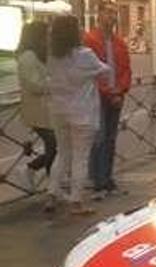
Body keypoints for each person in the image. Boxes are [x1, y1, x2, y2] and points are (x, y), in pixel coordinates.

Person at [46, 15, 110, 215]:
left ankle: (52, 194)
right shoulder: (85, 54)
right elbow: (105, 70)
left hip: (58, 110)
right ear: (75, 32)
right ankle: (76, 201)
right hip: (82, 112)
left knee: (62, 153)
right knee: (80, 157)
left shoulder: (52, 55)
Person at [83, 0, 132, 200]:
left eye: (114, 13)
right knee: (99, 137)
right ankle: (98, 179)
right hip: (97, 96)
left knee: (110, 138)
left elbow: (126, 69)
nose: (112, 17)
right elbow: (90, 71)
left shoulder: (120, 42)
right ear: (99, 14)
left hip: (115, 96)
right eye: (108, 13)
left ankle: (106, 177)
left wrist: (120, 91)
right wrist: (109, 93)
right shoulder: (89, 39)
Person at [16, 21, 55, 185]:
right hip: (37, 111)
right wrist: (54, 83)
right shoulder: (28, 57)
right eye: (46, 34)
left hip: (46, 110)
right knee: (55, 145)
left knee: (55, 145)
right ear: (37, 36)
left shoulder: (40, 54)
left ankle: (48, 180)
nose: (49, 38)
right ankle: (32, 170)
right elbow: (34, 85)